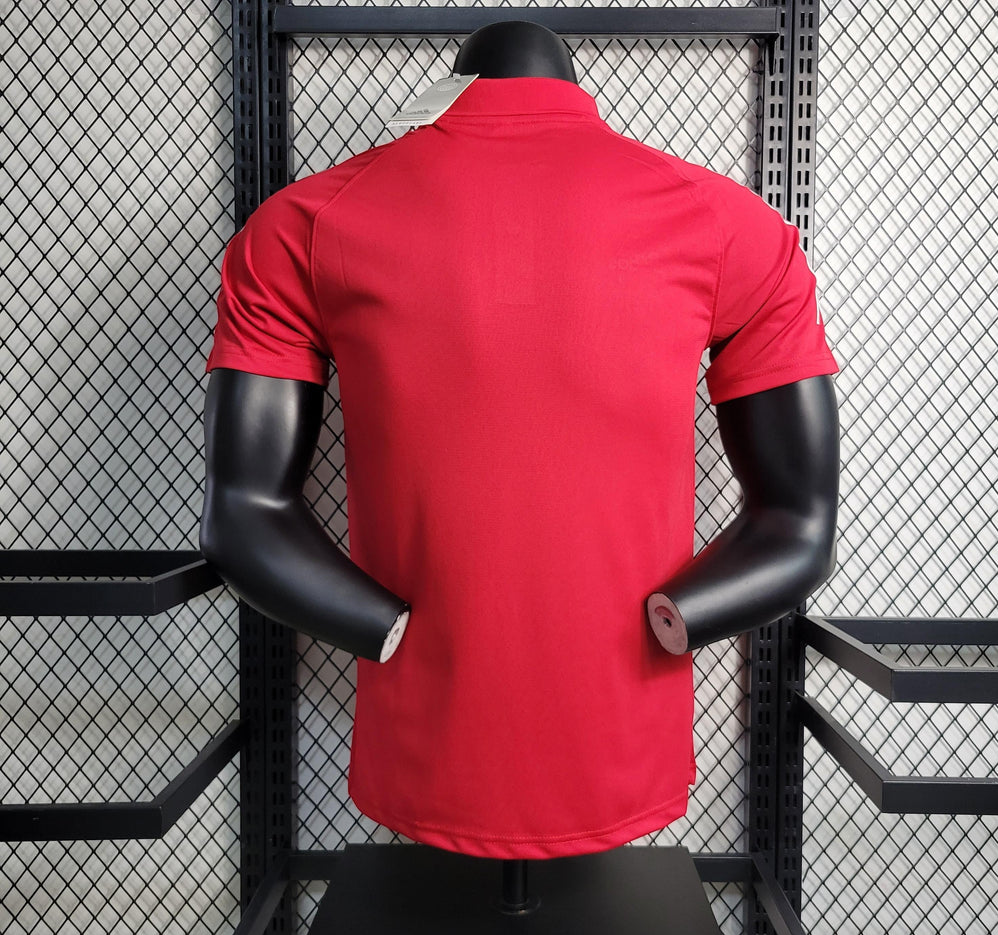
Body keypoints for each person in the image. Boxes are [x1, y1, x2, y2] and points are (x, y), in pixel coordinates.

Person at [200, 20, 840, 861]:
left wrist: (378, 627)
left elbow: (244, 514)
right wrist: (682, 618)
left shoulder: (304, 224)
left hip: (435, 729)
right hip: (606, 734)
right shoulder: (729, 225)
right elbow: (800, 523)